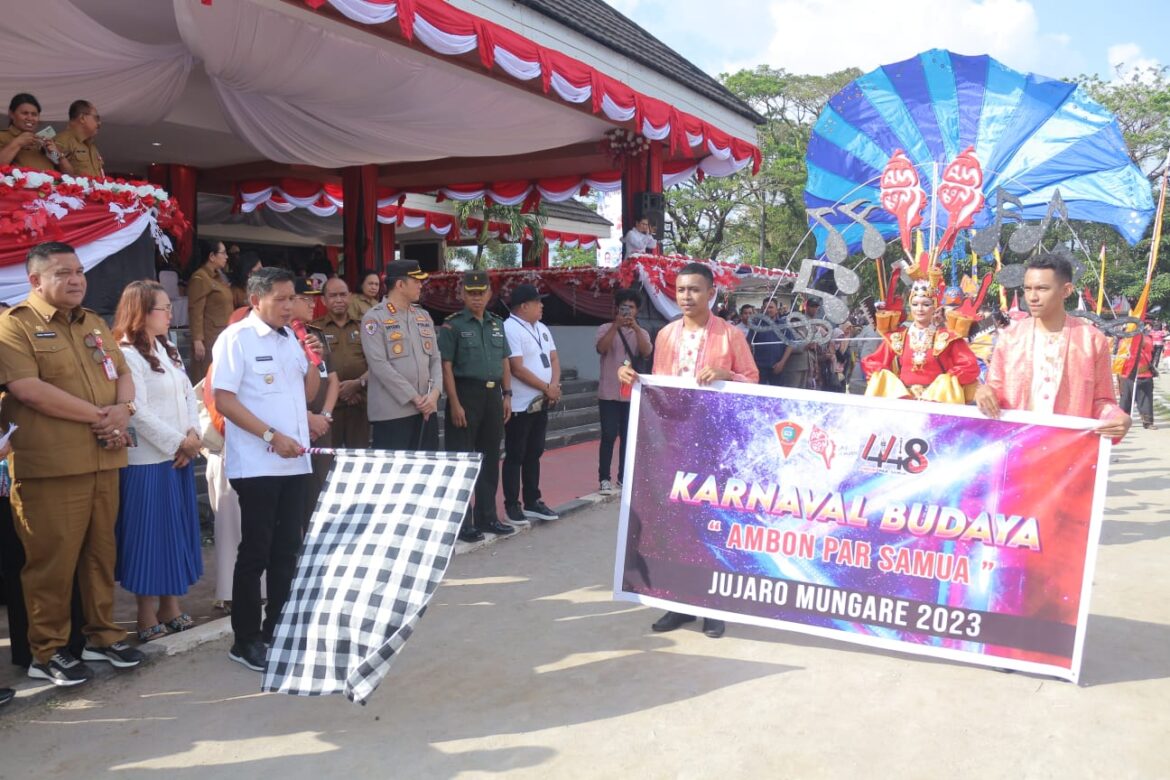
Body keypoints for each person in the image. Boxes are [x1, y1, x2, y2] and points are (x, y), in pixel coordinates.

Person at [0, 242, 145, 686]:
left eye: (79, 271)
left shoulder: (94, 323)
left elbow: (123, 373)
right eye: (63, 273)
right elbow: (29, 390)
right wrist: (103, 417)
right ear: (35, 280)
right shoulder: (14, 326)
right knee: (51, 563)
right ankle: (47, 650)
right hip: (51, 468)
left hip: (104, 459)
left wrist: (123, 410)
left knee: (101, 557)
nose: (77, 279)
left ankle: (103, 634)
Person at [618, 262, 758, 639]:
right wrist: (631, 380)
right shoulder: (664, 335)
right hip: (673, 442)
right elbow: (659, 388)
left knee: (710, 524)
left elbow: (754, 383)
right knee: (674, 525)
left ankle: (713, 607)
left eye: (694, 289)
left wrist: (729, 376)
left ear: (711, 293)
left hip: (715, 445)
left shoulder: (731, 336)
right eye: (680, 289)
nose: (686, 296)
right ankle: (677, 603)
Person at [212, 267, 321, 672]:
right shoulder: (235, 339)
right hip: (258, 463)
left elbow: (305, 394)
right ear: (256, 300)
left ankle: (279, 626)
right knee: (255, 551)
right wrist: (271, 435)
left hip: (296, 462)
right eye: (280, 298)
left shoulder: (291, 337)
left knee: (287, 549)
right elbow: (223, 400)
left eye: (292, 298)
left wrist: (313, 361)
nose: (289, 306)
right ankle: (245, 638)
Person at [112, 281, 203, 642]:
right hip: (149, 461)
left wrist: (193, 438)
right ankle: (146, 612)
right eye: (163, 308)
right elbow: (137, 411)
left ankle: (171, 606)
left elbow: (189, 396)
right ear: (142, 313)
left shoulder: (167, 349)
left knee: (175, 534)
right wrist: (178, 442)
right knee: (149, 536)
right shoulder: (127, 354)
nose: (170, 314)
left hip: (178, 456)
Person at [975, 254, 1130, 440]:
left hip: (1066, 450)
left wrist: (1117, 417)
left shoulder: (1092, 341)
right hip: (1016, 447)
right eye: (1028, 288)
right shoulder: (1010, 338)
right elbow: (995, 390)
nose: (1032, 297)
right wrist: (983, 392)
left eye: (1042, 288)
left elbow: (1102, 401)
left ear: (1066, 290)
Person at [439, 270, 515, 541]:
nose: (477, 298)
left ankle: (487, 516)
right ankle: (462, 522)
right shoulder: (453, 326)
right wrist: (455, 403)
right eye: (471, 293)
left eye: (481, 293)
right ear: (462, 295)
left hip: (493, 396)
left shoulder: (497, 323)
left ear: (489, 294)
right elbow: (445, 366)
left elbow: (504, 360)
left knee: (490, 458)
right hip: (465, 395)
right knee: (461, 460)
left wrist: (507, 395)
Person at [362, 261, 441, 450]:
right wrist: (414, 397)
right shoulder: (374, 318)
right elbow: (379, 365)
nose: (421, 285)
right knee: (396, 475)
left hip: (427, 410)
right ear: (400, 284)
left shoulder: (423, 316)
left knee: (427, 472)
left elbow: (436, 358)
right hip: (393, 413)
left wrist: (435, 395)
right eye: (416, 281)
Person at [862, 279, 981, 403]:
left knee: (946, 381)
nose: (920, 309)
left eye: (926, 304)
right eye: (915, 304)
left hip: (937, 403)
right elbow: (873, 362)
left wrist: (947, 381)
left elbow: (969, 366)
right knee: (882, 376)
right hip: (903, 403)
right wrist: (891, 382)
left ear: (934, 307)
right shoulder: (898, 337)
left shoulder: (948, 338)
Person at [502, 284, 562, 525]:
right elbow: (516, 368)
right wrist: (545, 387)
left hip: (542, 401)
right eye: (538, 302)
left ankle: (532, 500)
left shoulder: (543, 328)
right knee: (515, 454)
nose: (542, 305)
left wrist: (554, 386)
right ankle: (511, 505)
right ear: (523, 306)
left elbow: (554, 358)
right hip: (520, 403)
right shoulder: (510, 328)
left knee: (534, 452)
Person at [595, 288, 652, 494]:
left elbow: (646, 352)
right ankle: (604, 478)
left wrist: (635, 328)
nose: (627, 311)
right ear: (616, 308)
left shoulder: (642, 332)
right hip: (608, 393)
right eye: (624, 307)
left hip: (631, 394)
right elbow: (602, 348)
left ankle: (623, 477)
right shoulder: (604, 328)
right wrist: (616, 327)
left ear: (637, 310)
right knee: (608, 435)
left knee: (628, 437)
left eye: (632, 308)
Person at [292, 279, 339, 518]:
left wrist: (326, 416)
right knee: (298, 492)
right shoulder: (283, 337)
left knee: (322, 485)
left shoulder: (315, 335)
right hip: (294, 426)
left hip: (321, 425)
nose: (313, 303)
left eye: (313, 298)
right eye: (305, 298)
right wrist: (307, 418)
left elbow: (332, 380)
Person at [315, 277, 371, 448]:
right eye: (333, 296)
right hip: (329, 409)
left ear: (351, 297)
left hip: (359, 404)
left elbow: (376, 363)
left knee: (359, 460)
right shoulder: (315, 330)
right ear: (323, 300)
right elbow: (312, 369)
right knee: (329, 461)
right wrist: (338, 391)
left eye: (343, 295)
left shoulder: (363, 327)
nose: (339, 300)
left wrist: (357, 385)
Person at [187, 239, 235, 382]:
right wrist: (197, 340)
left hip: (222, 335)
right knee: (207, 379)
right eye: (223, 253)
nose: (227, 256)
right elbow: (195, 311)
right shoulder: (200, 277)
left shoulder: (219, 277)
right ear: (212, 256)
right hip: (209, 338)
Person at [0, 93, 67, 172]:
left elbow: (69, 174)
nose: (30, 118)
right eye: (25, 113)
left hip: (51, 183)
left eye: (34, 114)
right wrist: (17, 143)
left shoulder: (43, 141)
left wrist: (57, 154)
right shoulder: (2, 136)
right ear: (11, 114)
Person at [52, 100, 104, 178]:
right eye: (96, 118)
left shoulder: (92, 146)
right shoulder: (62, 141)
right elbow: (51, 174)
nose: (99, 123)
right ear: (82, 118)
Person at [1119, 332, 1156, 430]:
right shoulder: (1125, 340)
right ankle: (1123, 420)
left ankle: (1147, 422)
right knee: (1126, 399)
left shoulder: (1145, 339)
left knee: (1145, 400)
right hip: (1128, 374)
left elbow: (1148, 350)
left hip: (1143, 373)